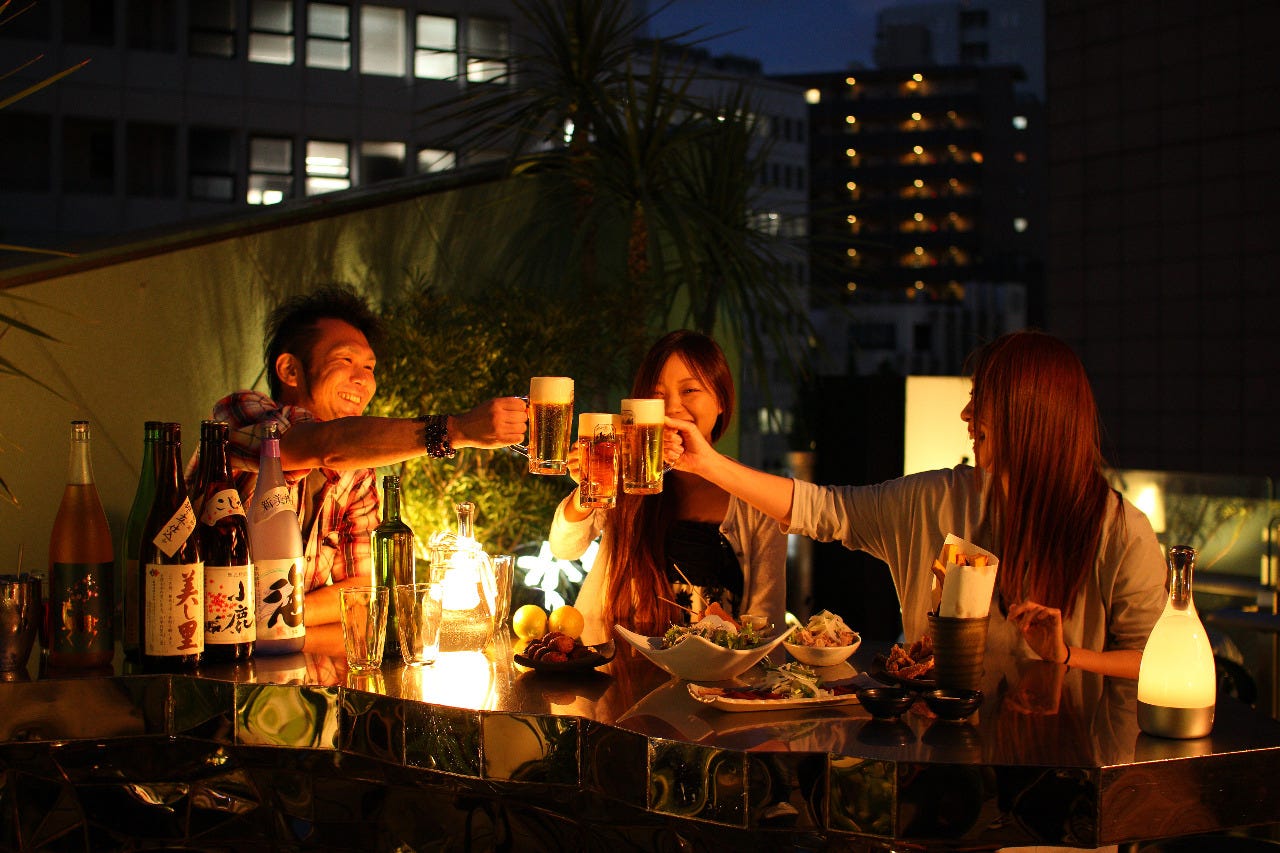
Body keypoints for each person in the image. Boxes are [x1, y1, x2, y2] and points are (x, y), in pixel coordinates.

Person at [666, 330, 1166, 680]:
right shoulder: (936, 500)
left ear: (1031, 415)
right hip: (940, 757)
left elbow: (1156, 659)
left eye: (982, 399)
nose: (966, 413)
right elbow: (822, 509)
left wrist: (1066, 656)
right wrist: (707, 463)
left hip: (1063, 770)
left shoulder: (1118, 529)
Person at [207, 284, 528, 628]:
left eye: (370, 367)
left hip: (276, 647)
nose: (362, 379)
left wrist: (271, 620)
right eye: (345, 360)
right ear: (290, 370)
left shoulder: (356, 472)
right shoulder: (240, 413)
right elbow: (322, 445)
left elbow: (361, 591)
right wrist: (456, 430)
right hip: (205, 647)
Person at [548, 330, 788, 645]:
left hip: (713, 671)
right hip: (618, 662)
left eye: (690, 390)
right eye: (657, 395)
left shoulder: (755, 496)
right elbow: (564, 547)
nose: (673, 407)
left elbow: (767, 622)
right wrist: (589, 489)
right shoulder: (629, 474)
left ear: (721, 401)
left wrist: (745, 647)